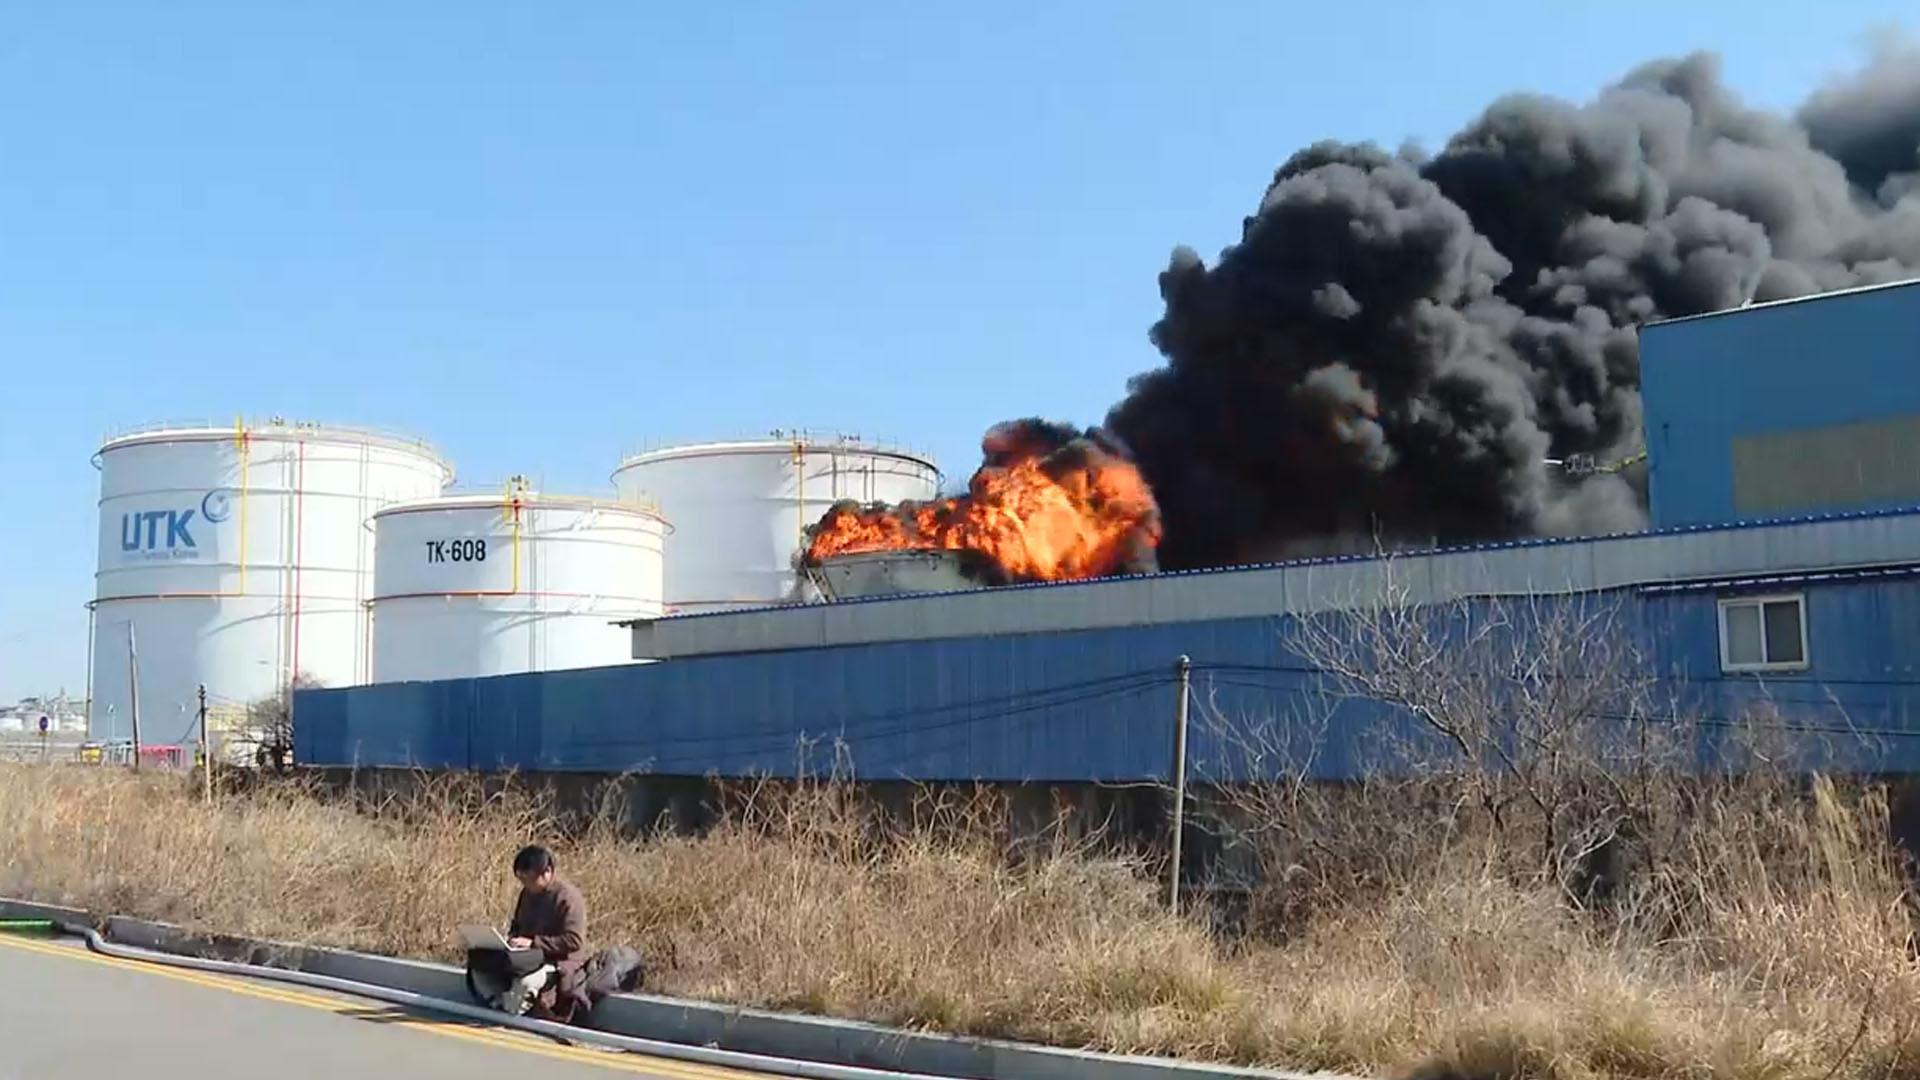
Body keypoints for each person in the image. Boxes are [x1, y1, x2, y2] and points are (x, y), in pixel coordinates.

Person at [505, 844, 589, 1022]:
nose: (525, 885)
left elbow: (573, 941)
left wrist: (534, 943)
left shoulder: (568, 898)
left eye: (529, 879)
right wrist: (512, 939)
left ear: (547, 872)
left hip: (558, 960)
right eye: (522, 880)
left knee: (524, 985)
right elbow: (518, 924)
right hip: (528, 956)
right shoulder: (527, 894)